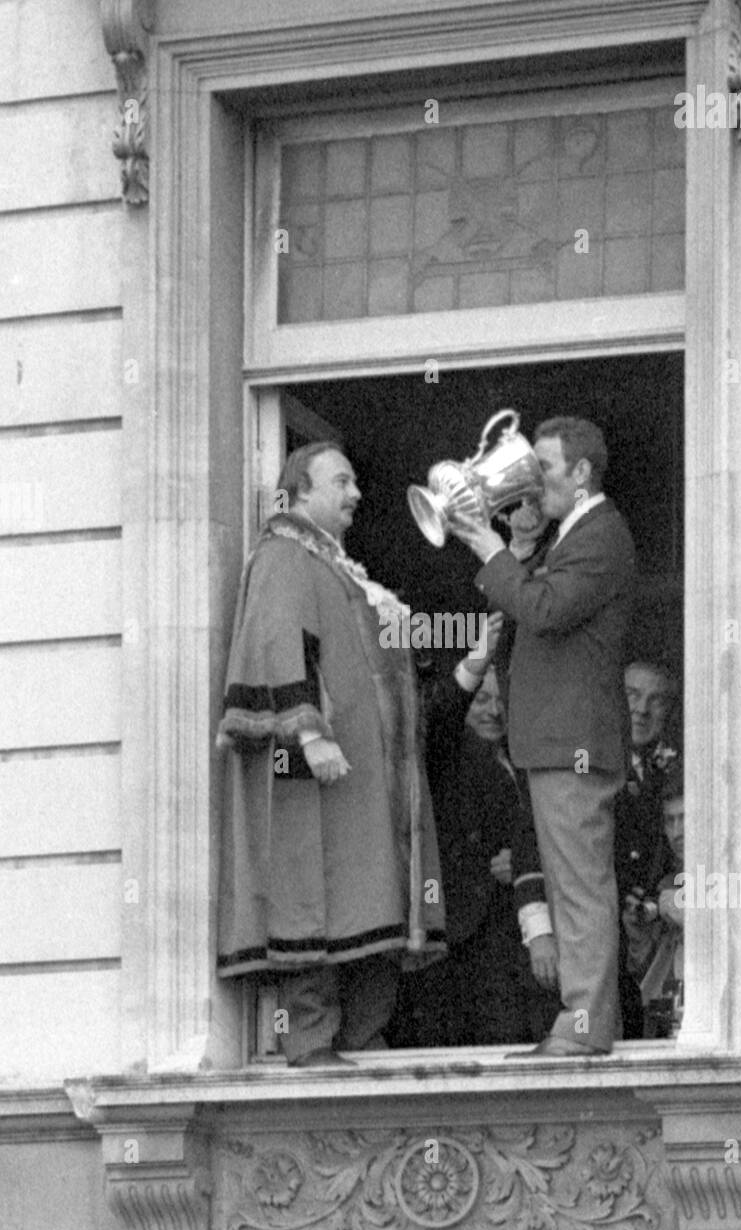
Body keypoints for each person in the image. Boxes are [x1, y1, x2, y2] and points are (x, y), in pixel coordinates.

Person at [216, 441, 444, 1067]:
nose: (356, 494)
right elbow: (279, 643)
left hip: (365, 783)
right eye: (342, 482)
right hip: (311, 774)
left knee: (370, 906)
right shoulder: (284, 555)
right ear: (301, 492)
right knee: (312, 899)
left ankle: (361, 1037)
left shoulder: (336, 565)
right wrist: (310, 736)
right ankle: (310, 1041)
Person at [452, 415, 636, 1057]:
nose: (537, 483)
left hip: (572, 742)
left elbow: (543, 609)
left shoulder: (600, 534)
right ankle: (578, 1021)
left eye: (547, 469)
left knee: (581, 889)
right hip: (559, 743)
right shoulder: (577, 534)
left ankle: (584, 1026)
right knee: (572, 886)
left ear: (582, 473)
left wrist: (485, 543)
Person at [392, 658, 558, 1047]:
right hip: (456, 935)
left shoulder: (525, 759)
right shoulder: (443, 751)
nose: (494, 711)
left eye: (502, 701)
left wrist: (523, 866)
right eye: (481, 699)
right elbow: (443, 714)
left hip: (514, 935)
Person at [615, 660, 680, 1037]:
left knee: (658, 1032)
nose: (641, 709)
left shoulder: (673, 770)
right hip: (607, 933)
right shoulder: (590, 762)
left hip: (661, 935)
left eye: (656, 701)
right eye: (632, 695)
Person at [621, 764, 685, 1037]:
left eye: (684, 818)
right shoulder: (666, 881)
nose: (677, 831)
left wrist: (665, 904)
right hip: (666, 1013)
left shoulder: (730, 871)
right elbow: (645, 971)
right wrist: (637, 933)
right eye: (670, 821)